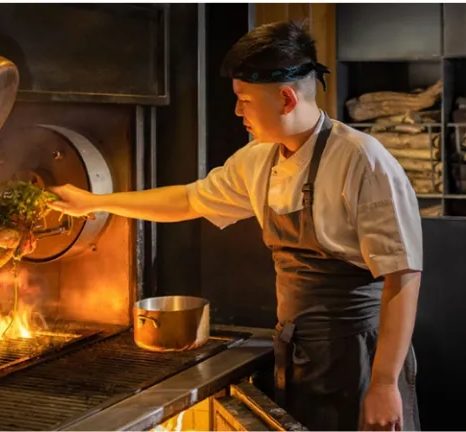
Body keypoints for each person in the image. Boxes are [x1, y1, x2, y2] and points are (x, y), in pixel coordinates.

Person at [48, 20, 423, 432]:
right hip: (300, 352)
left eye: (244, 100)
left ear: (284, 99)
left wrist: (385, 382)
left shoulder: (362, 161)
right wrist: (97, 203)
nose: (237, 111)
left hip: (361, 355)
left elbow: (402, 275)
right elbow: (188, 199)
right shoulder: (260, 159)